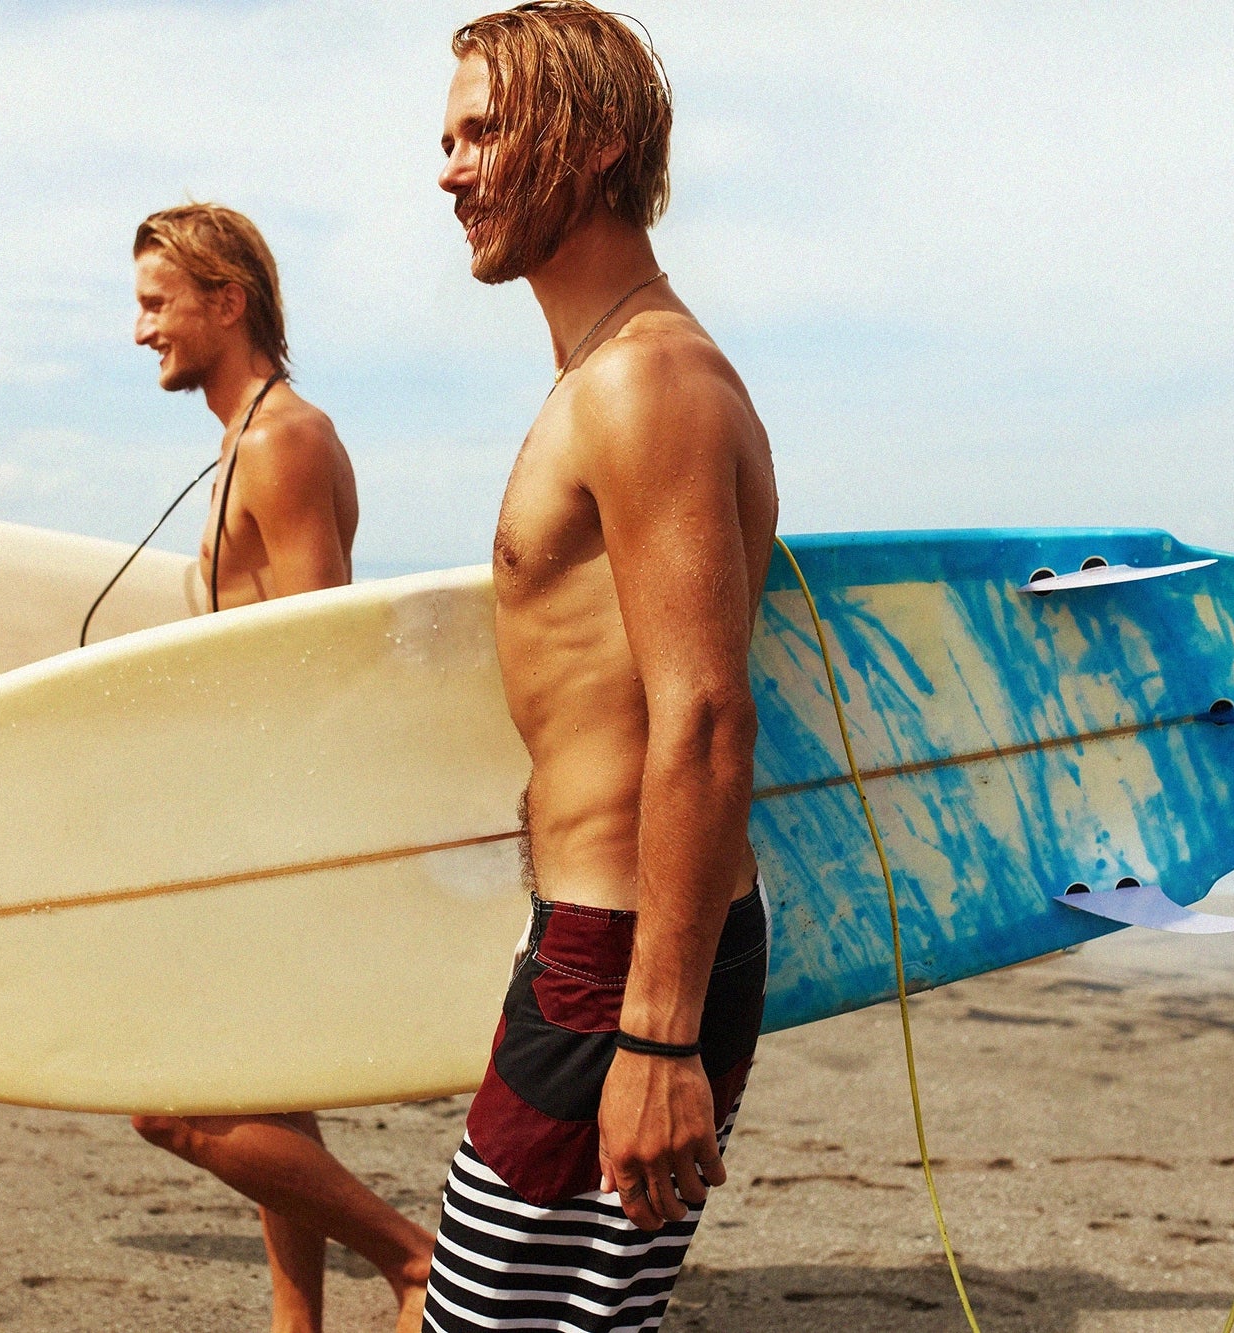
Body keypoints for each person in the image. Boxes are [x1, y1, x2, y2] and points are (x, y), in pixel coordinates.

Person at [423, 6, 778, 1330]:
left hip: (622, 969)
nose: (451, 170)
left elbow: (702, 717)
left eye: (487, 131)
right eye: (449, 138)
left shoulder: (649, 384)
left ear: (600, 140)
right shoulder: (602, 375)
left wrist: (656, 1036)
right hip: (593, 949)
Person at [126, 202, 432, 1333]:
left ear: (226, 299)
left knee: (167, 1103)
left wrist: (266, 834)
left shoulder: (282, 440)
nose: (141, 329)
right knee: (273, 1095)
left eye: (158, 303)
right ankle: (293, 1323)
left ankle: (412, 1261)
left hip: (276, 824)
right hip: (246, 814)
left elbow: (317, 654)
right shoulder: (242, 439)